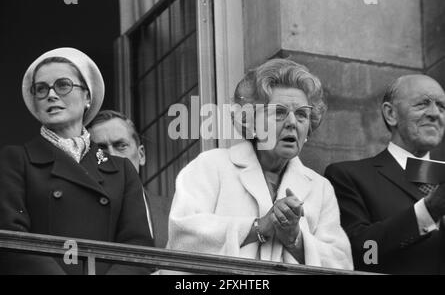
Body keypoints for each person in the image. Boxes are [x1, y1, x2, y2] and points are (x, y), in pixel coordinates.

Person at [167, 58, 353, 269]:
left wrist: (295, 239)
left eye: (302, 114)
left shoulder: (320, 188)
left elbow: (342, 264)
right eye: (279, 112)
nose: (292, 122)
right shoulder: (211, 165)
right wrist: (259, 227)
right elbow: (182, 236)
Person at [0, 48, 154, 274]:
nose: (51, 95)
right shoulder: (15, 160)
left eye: (63, 85)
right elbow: (11, 240)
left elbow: (138, 247)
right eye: (41, 89)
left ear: (87, 97)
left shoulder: (122, 170)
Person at [325, 74, 445, 274]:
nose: (435, 113)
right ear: (391, 114)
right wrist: (427, 212)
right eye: (423, 104)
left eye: (442, 106)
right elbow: (360, 255)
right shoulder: (349, 176)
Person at [88, 110, 170, 248]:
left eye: (121, 146)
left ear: (141, 155)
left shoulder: (174, 211)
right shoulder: (79, 213)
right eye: (100, 150)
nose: (113, 156)